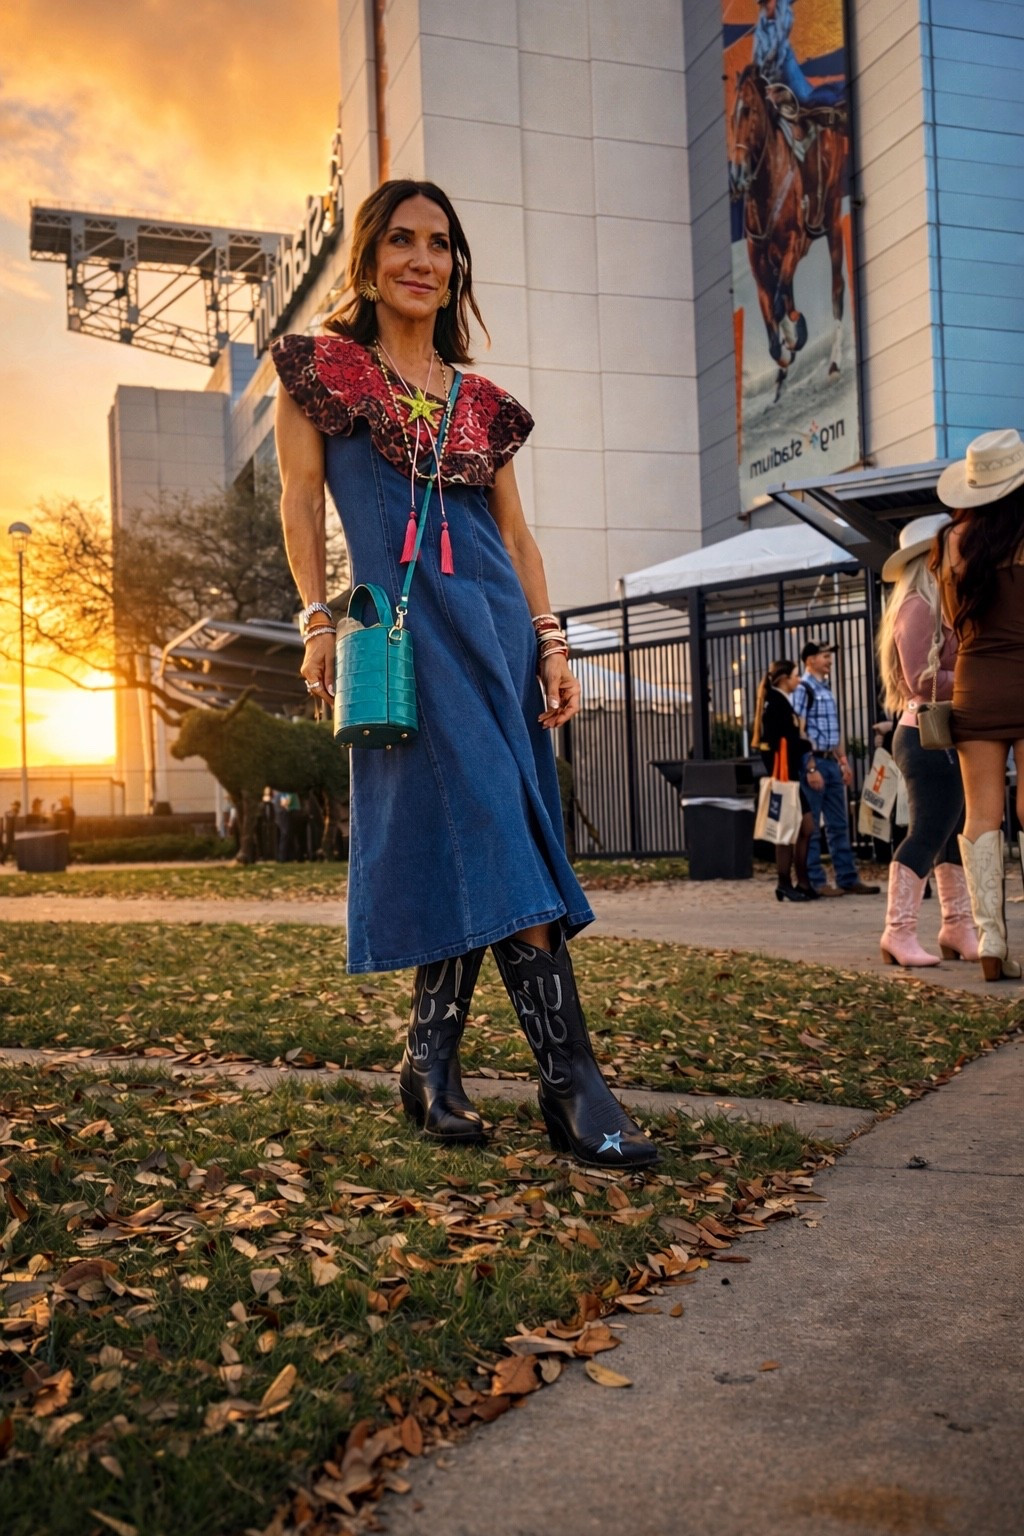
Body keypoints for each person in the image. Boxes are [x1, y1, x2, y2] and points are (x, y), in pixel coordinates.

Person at [272, 178, 656, 1169]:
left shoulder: (482, 403)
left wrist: (552, 642)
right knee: (491, 824)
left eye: (440, 244)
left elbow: (515, 537)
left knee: (482, 828)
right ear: (369, 259)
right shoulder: (321, 371)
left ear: (456, 267)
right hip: (406, 637)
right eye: (401, 240)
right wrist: (316, 619)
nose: (422, 259)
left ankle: (428, 1063)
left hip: (497, 634)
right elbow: (300, 497)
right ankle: (571, 1083)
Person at [934, 428, 1024, 982]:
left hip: (975, 684)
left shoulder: (949, 542)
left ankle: (990, 938)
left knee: (981, 813)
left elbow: (950, 623)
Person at [876, 515, 979, 967]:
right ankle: (897, 932)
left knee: (950, 834)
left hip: (936, 734)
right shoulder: (918, 606)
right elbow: (922, 678)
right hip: (926, 735)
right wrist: (977, 677)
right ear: (931, 558)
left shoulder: (931, 604)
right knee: (927, 833)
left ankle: (957, 926)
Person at [792, 640, 879, 896]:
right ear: (810, 660)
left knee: (839, 824)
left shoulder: (826, 688)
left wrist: (842, 761)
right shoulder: (803, 688)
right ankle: (815, 881)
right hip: (815, 762)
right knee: (813, 826)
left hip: (830, 761)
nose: (829, 660)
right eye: (825, 656)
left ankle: (847, 878)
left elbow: (833, 730)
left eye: (829, 656)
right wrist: (810, 766)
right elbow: (799, 729)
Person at [751, 658, 822, 901]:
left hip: (790, 776)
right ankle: (784, 882)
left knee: (805, 826)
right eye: (795, 676)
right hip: (783, 777)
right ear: (783, 679)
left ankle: (802, 881)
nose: (799, 680)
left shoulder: (780, 702)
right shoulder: (775, 704)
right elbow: (776, 743)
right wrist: (805, 744)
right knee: (786, 829)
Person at [753, 0, 846, 113]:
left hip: (787, 67)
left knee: (805, 98)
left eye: (766, 2)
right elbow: (759, 61)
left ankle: (841, 91)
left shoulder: (781, 12)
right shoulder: (762, 30)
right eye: (762, 4)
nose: (764, 7)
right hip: (776, 76)